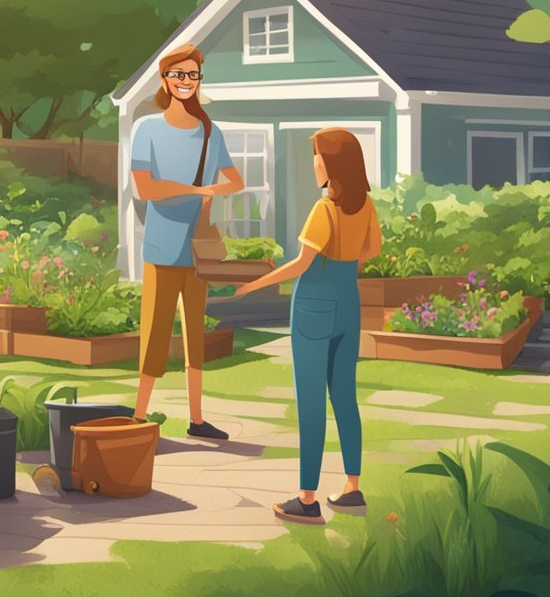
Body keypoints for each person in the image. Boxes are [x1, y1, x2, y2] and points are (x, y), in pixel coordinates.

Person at [235, 128, 382, 523]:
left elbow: (300, 264)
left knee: (311, 403)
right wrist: (346, 263)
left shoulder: (325, 209)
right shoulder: (364, 205)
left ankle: (307, 497)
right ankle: (353, 488)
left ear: (332, 163)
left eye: (317, 156)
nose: (314, 162)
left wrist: (254, 285)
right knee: (345, 399)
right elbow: (373, 249)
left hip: (313, 304)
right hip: (347, 301)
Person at [130, 43, 245, 440]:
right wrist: (196, 192)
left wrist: (211, 189)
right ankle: (139, 417)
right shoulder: (147, 128)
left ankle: (197, 419)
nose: (185, 82)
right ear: (165, 79)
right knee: (156, 333)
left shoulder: (210, 133)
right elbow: (144, 187)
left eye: (192, 75)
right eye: (178, 74)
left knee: (195, 334)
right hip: (162, 248)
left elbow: (236, 180)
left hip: (198, 248)